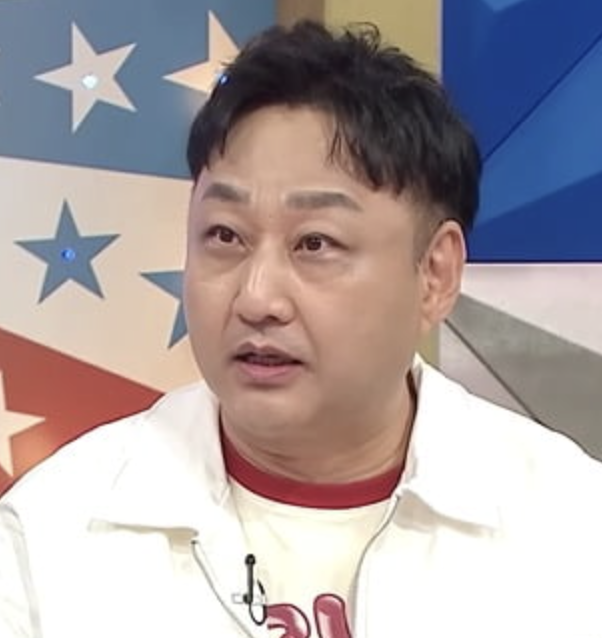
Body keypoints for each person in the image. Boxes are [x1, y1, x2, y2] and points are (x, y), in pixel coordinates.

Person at [1, 20, 601, 638]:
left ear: (434, 274)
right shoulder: (49, 538)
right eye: (224, 235)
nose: (257, 298)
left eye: (315, 243)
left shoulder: (572, 529)